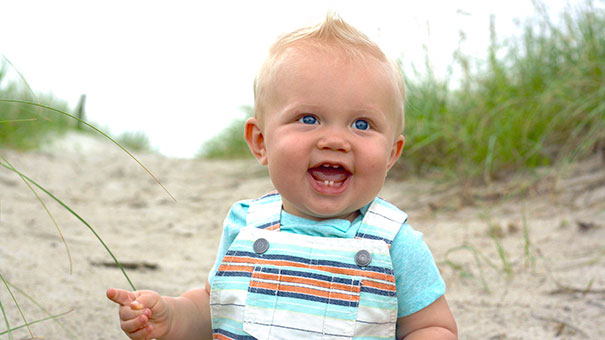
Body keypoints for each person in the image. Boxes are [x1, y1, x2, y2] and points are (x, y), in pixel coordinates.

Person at [107, 14, 457, 340]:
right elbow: (215, 307)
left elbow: (432, 325)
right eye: (308, 119)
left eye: (361, 124)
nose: (335, 140)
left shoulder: (394, 242)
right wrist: (172, 316)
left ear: (392, 154)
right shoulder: (246, 226)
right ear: (261, 142)